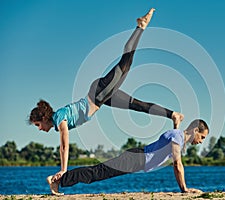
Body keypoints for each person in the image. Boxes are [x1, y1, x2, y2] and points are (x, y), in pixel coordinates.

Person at [28, 8, 184, 184]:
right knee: (135, 104)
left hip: (98, 94)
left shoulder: (60, 119)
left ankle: (140, 27)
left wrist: (64, 169)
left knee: (125, 63)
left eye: (38, 125)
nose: (40, 129)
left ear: (43, 118)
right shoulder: (58, 120)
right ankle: (173, 114)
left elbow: (64, 146)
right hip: (101, 98)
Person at [47, 119, 209, 195]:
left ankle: (61, 180)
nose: (201, 142)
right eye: (202, 137)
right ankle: (58, 180)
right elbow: (177, 165)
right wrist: (184, 190)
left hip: (137, 159)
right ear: (195, 130)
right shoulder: (177, 137)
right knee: (97, 172)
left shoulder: (178, 136)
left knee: (98, 172)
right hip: (136, 159)